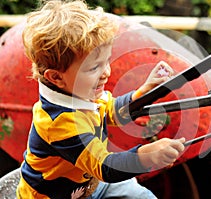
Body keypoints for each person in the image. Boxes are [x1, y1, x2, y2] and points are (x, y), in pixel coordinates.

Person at [16, 0, 185, 198]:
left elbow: (113, 111)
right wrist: (147, 157)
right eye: (94, 67)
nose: (106, 73)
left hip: (91, 184)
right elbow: (105, 167)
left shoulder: (82, 93)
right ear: (56, 77)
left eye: (106, 61)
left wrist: (144, 92)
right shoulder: (60, 123)